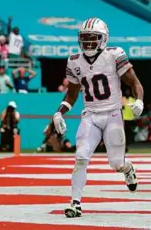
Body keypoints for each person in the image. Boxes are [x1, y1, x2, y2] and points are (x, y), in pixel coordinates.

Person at [52, 17, 143, 218]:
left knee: (116, 164)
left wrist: (139, 101)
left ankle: (128, 169)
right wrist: (59, 112)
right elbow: (72, 94)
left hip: (112, 115)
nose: (88, 43)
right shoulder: (74, 61)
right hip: (90, 115)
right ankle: (75, 203)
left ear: (103, 39)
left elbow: (135, 83)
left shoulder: (114, 55)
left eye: (93, 38)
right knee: (81, 157)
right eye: (84, 38)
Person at [122, 88, 136, 152]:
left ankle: (127, 145)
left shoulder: (132, 100)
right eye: (126, 91)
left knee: (128, 134)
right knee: (123, 134)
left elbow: (135, 109)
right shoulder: (122, 99)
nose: (127, 92)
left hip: (131, 120)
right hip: (123, 119)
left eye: (128, 91)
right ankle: (123, 146)